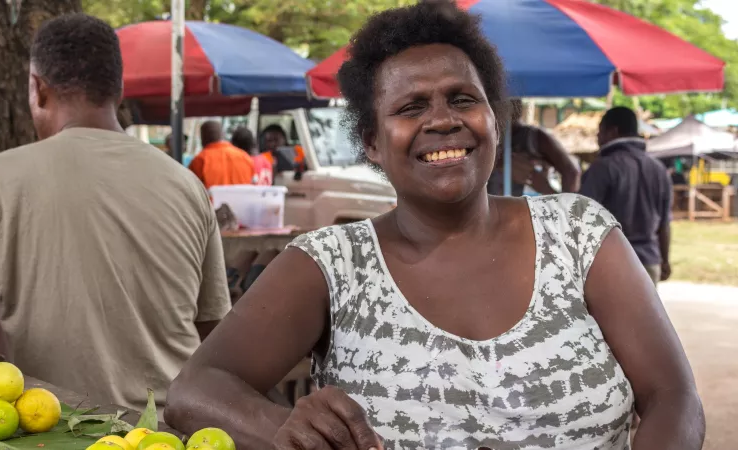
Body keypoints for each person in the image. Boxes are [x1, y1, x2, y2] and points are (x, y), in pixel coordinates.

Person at [165, 4, 703, 449]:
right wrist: (284, 428)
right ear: (373, 142)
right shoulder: (331, 264)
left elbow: (672, 396)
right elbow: (194, 391)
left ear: (496, 118)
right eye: (411, 106)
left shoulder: (580, 235)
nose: (442, 119)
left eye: (463, 99)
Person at [0, 14, 231, 413]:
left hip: (55, 432)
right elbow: (213, 328)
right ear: (119, 90)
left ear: (38, 89)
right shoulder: (187, 187)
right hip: (168, 434)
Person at [580, 107, 674, 286]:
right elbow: (665, 224)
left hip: (611, 263)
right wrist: (665, 260)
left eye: (600, 131)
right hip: (649, 261)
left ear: (613, 131)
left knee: (609, 315)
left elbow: (581, 217)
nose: (597, 138)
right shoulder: (659, 169)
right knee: (644, 314)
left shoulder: (602, 167)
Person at [488, 99, 581, 196]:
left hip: (527, 206)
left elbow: (572, 172)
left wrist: (545, 188)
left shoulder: (533, 137)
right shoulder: (490, 138)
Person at [188, 121, 254, 189]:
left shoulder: (200, 160)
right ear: (222, 135)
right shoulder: (245, 157)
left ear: (202, 137)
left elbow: (191, 191)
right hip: (241, 199)